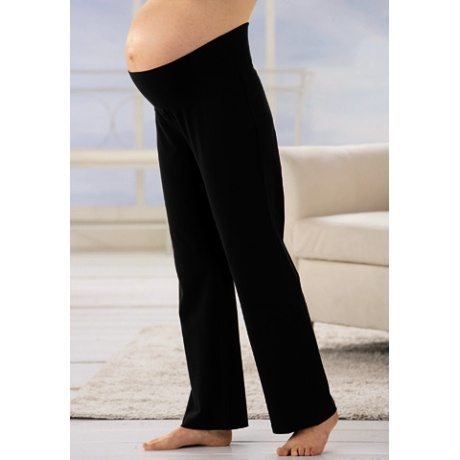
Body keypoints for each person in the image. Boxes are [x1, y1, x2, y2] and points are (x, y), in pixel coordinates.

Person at [125, 0, 338, 456]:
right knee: (198, 263)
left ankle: (312, 411)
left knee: (257, 260)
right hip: (171, 103)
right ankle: (211, 416)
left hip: (220, 89)